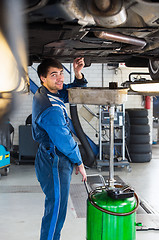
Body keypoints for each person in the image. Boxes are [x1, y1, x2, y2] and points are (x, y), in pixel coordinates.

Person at [32, 57, 87, 240]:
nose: (60, 78)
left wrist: (78, 74)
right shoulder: (51, 108)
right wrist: (79, 162)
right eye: (54, 75)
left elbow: (74, 92)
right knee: (56, 210)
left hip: (50, 155)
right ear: (42, 78)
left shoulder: (48, 93)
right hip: (54, 160)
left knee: (56, 207)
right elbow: (64, 140)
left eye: (61, 73)